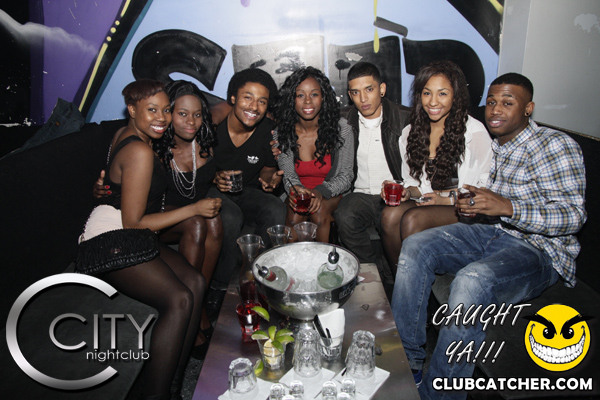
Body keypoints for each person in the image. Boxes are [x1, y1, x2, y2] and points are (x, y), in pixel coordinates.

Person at [391, 73, 586, 399]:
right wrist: (471, 205)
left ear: (528, 108)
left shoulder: (554, 144)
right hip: (492, 233)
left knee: (472, 279)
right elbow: (484, 200)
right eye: (492, 102)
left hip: (539, 251)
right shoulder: (498, 146)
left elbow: (573, 216)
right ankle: (407, 363)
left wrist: (508, 207)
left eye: (507, 103)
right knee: (415, 246)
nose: (496, 109)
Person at [81, 79, 221, 400]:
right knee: (180, 299)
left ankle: (174, 383)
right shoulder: (140, 150)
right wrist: (194, 208)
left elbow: (118, 186)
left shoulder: (131, 135)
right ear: (132, 110)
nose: (161, 117)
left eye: (166, 110)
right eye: (152, 110)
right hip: (110, 239)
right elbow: (134, 222)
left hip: (130, 231)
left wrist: (104, 189)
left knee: (195, 282)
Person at [380, 60, 492, 272]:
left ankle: (414, 281)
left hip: (464, 209)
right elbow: (416, 185)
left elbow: (484, 190)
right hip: (429, 203)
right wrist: (406, 192)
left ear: (455, 96)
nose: (433, 101)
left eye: (442, 94)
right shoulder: (410, 133)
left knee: (413, 219)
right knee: (389, 215)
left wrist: (447, 200)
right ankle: (400, 278)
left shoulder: (474, 133)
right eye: (426, 93)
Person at [333, 62, 411, 276]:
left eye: (369, 89)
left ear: (382, 89)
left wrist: (405, 189)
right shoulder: (343, 120)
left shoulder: (405, 118)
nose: (363, 98)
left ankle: (390, 273)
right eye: (355, 92)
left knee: (396, 222)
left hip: (396, 196)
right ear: (350, 95)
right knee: (345, 215)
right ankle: (371, 271)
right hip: (360, 194)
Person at [208, 68, 286, 283]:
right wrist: (214, 177)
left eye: (262, 101)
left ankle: (256, 272)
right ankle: (220, 285)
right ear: (233, 98)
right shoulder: (213, 126)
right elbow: (195, 167)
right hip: (211, 189)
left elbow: (268, 168)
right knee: (230, 215)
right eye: (248, 97)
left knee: (276, 208)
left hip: (246, 191)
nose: (254, 107)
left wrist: (270, 179)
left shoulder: (268, 131)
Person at [274, 66, 354, 242]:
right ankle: (294, 258)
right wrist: (296, 191)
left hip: (332, 193)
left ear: (323, 97)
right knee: (295, 214)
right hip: (297, 191)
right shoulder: (282, 133)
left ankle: (323, 258)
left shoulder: (342, 130)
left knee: (319, 211)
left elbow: (346, 176)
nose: (308, 101)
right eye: (300, 95)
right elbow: (288, 176)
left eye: (314, 94)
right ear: (292, 99)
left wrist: (320, 192)